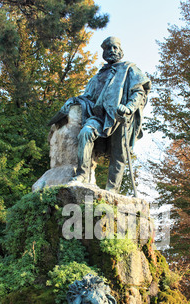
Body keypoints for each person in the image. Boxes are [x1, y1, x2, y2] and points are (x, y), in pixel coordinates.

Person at [49, 36, 151, 193]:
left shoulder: (129, 69)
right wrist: (74, 101)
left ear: (121, 50)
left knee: (119, 154)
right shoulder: (98, 76)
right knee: (85, 133)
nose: (111, 50)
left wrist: (129, 108)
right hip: (99, 116)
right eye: (108, 48)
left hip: (120, 116)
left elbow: (139, 92)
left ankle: (112, 190)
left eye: (115, 47)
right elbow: (88, 97)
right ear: (104, 53)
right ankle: (83, 174)